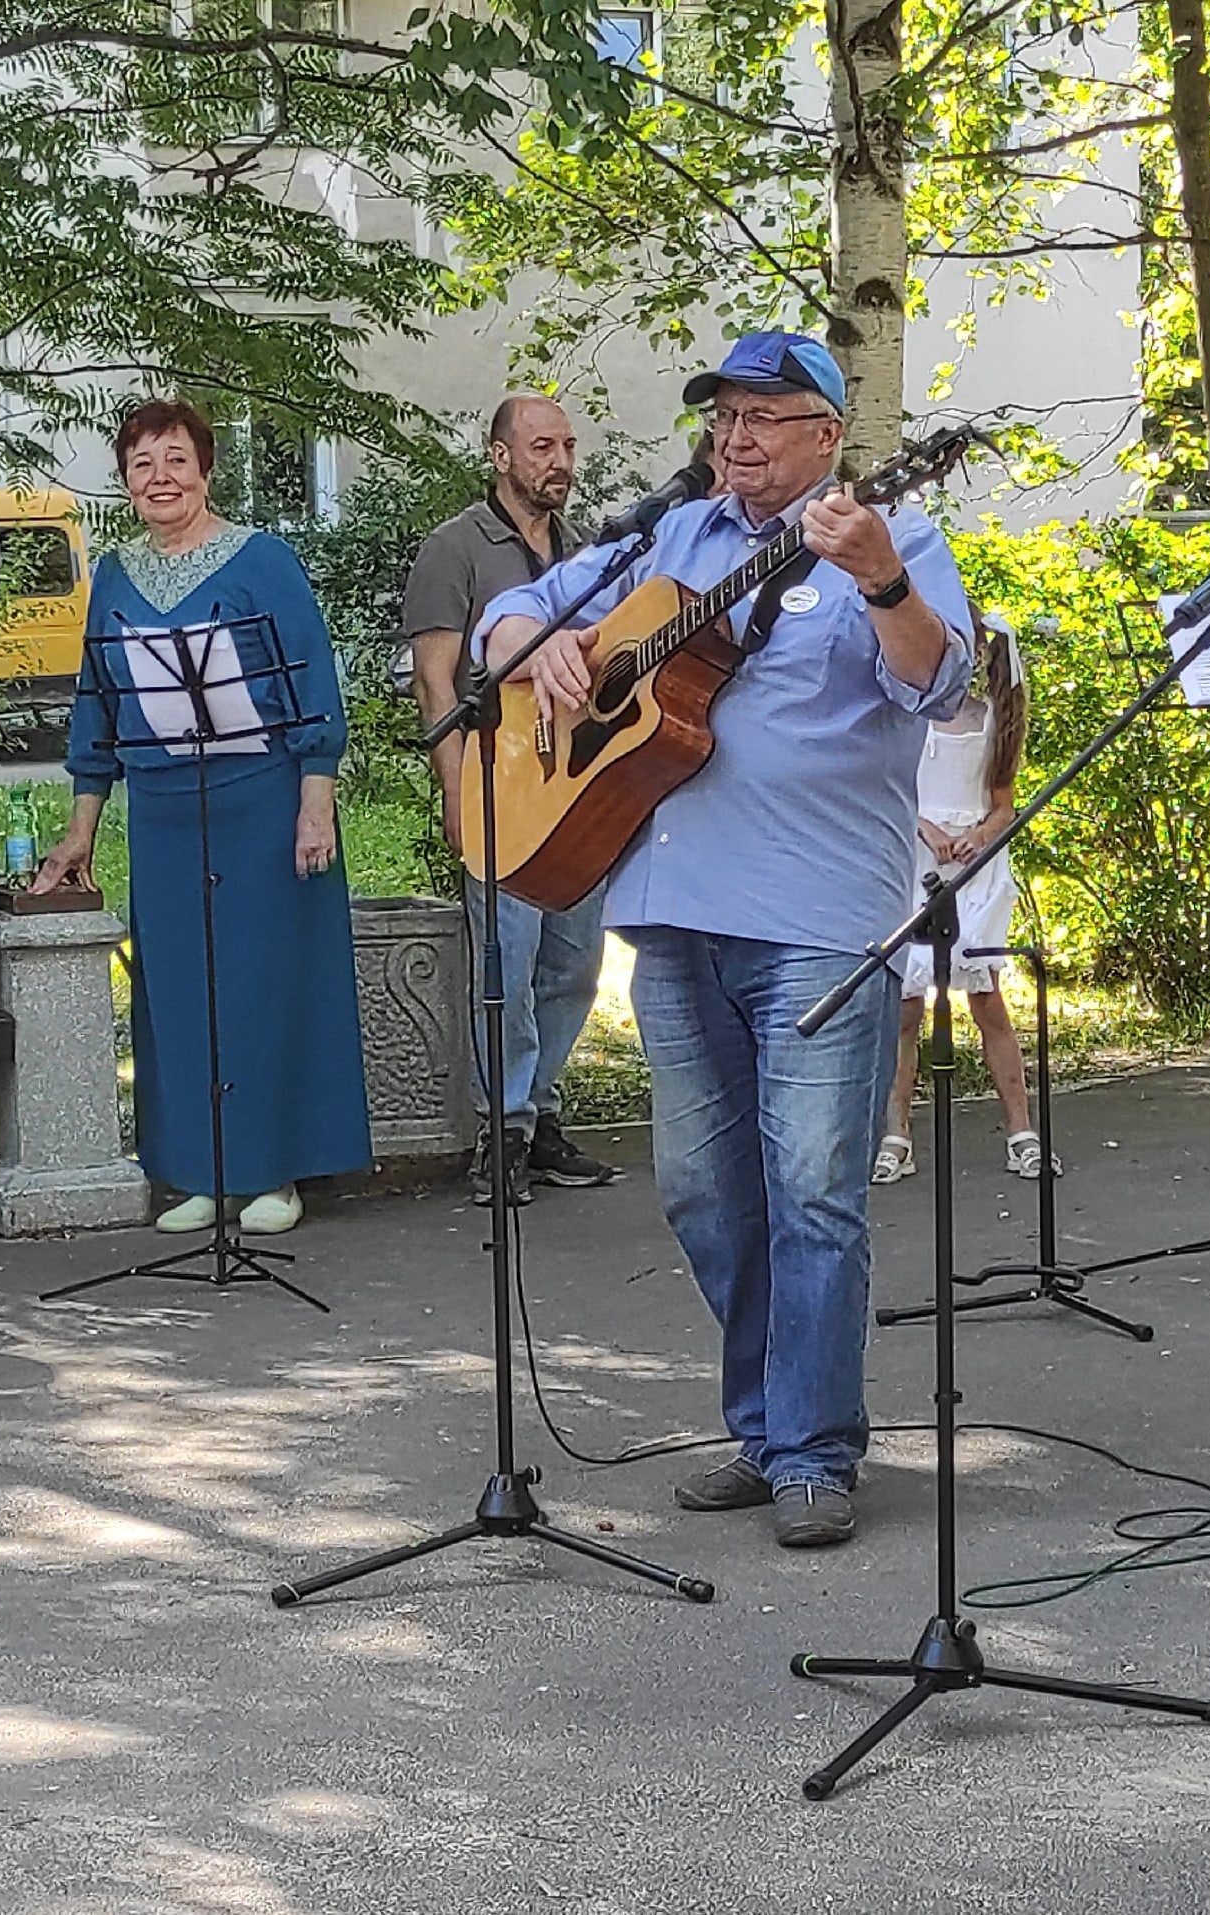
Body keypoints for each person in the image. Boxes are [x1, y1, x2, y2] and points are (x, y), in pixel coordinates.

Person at [476, 331, 972, 1549]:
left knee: (812, 1190)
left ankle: (812, 1447)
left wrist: (881, 583)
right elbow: (512, 608)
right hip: (671, 912)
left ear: (826, 436)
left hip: (816, 917)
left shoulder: (891, 538)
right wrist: (534, 645)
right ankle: (765, 1425)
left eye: (765, 416)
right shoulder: (674, 537)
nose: (736, 437)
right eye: (724, 417)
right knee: (705, 1189)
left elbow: (941, 685)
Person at [34, 399, 371, 1234]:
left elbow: (311, 687)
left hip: (260, 795)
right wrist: (82, 824)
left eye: (176, 460)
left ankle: (272, 1173)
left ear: (207, 469)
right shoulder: (113, 574)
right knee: (177, 987)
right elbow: (96, 705)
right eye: (142, 464)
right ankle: (197, 1172)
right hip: (162, 807)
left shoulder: (263, 559)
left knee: (259, 978)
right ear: (124, 481)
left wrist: (314, 803)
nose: (161, 478)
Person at [403, 396, 617, 1207]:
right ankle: (504, 1126)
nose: (558, 460)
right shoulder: (454, 547)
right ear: (499, 456)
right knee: (507, 963)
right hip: (499, 790)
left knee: (574, 963)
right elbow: (436, 682)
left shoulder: (589, 551)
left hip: (581, 790)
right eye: (540, 446)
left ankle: (541, 1115)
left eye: (566, 445)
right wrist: (457, 792)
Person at [873, 610, 1055, 1184]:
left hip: (974, 866)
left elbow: (1002, 802)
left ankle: (1022, 1132)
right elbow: (890, 786)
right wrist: (928, 830)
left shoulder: (994, 718)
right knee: (907, 1008)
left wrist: (978, 835)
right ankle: (896, 1134)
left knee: (985, 998)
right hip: (919, 858)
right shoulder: (909, 710)